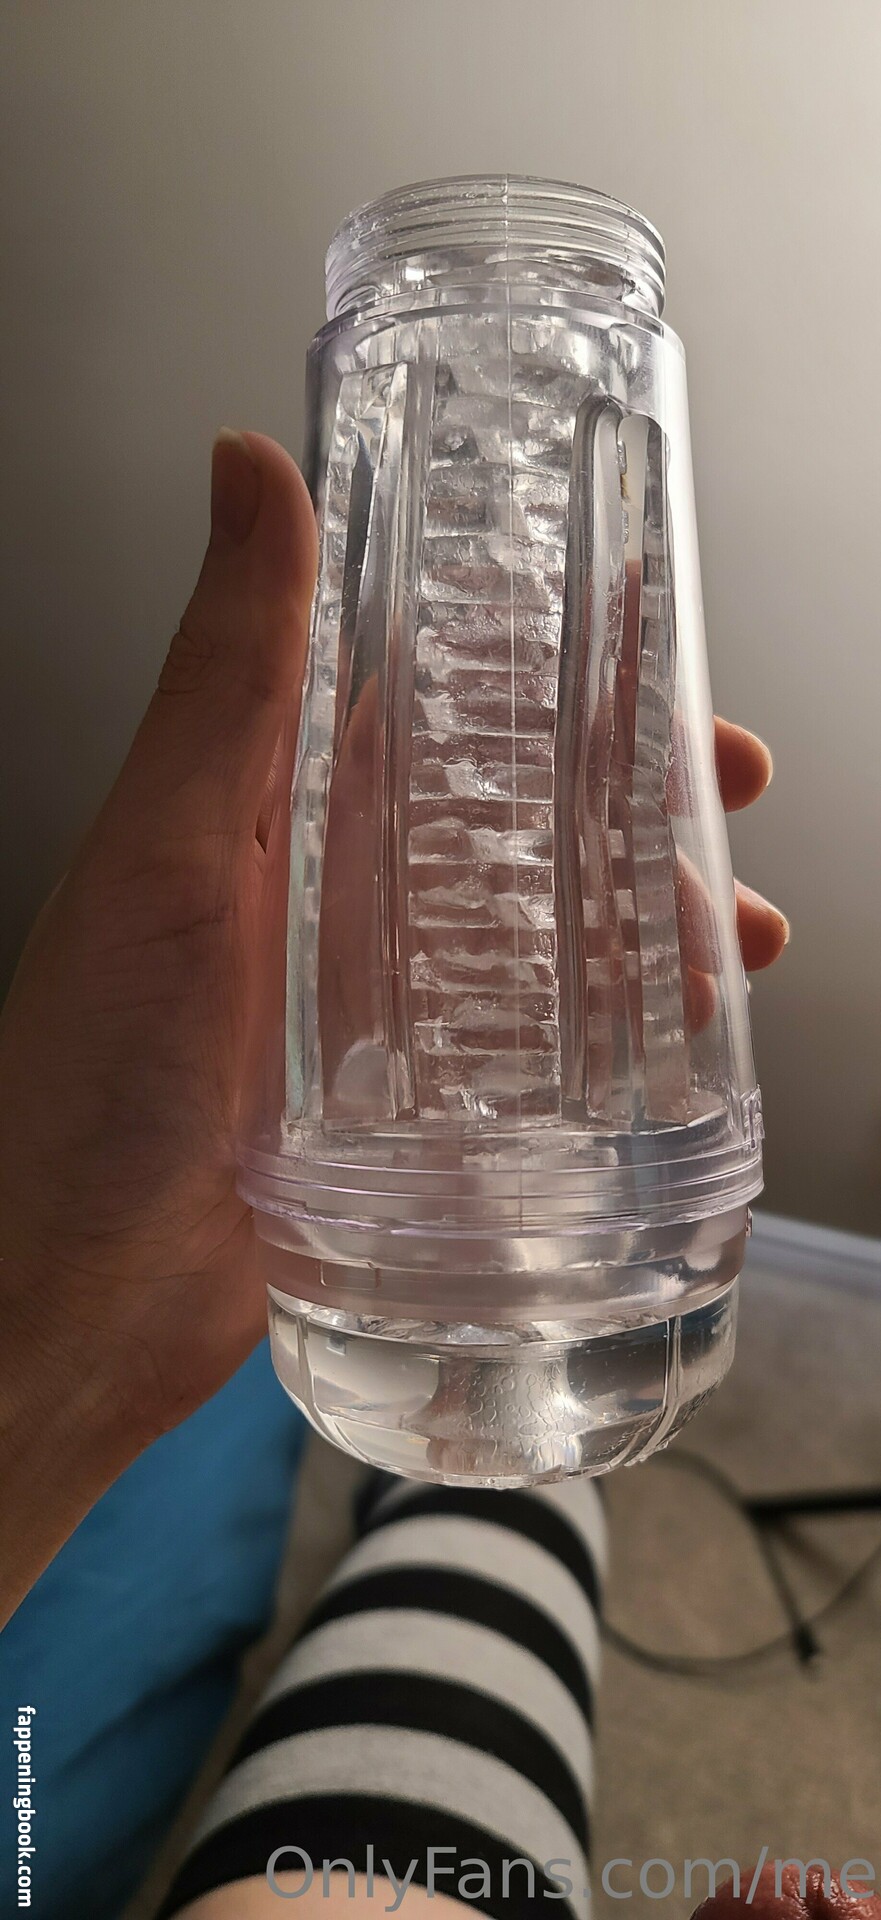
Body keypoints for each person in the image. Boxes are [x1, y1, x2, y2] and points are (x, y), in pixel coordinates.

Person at [0, 431, 795, 1918]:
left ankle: (467, 1467)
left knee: (485, 1453)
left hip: (416, 1300)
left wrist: (52, 1324)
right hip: (437, 1298)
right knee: (509, 1498)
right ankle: (492, 1485)